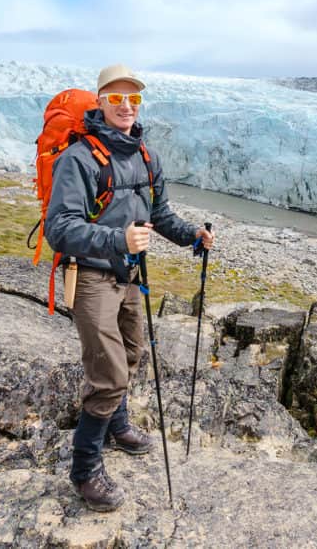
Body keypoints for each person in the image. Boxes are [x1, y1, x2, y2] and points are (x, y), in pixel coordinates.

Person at [45, 63, 214, 511]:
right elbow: (58, 229)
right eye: (116, 98)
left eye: (133, 99)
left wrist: (191, 235)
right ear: (99, 101)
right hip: (93, 276)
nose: (125, 106)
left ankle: (117, 427)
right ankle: (85, 469)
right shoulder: (78, 158)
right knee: (108, 374)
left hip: (130, 276)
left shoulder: (146, 156)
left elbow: (159, 215)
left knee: (133, 353)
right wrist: (117, 239)